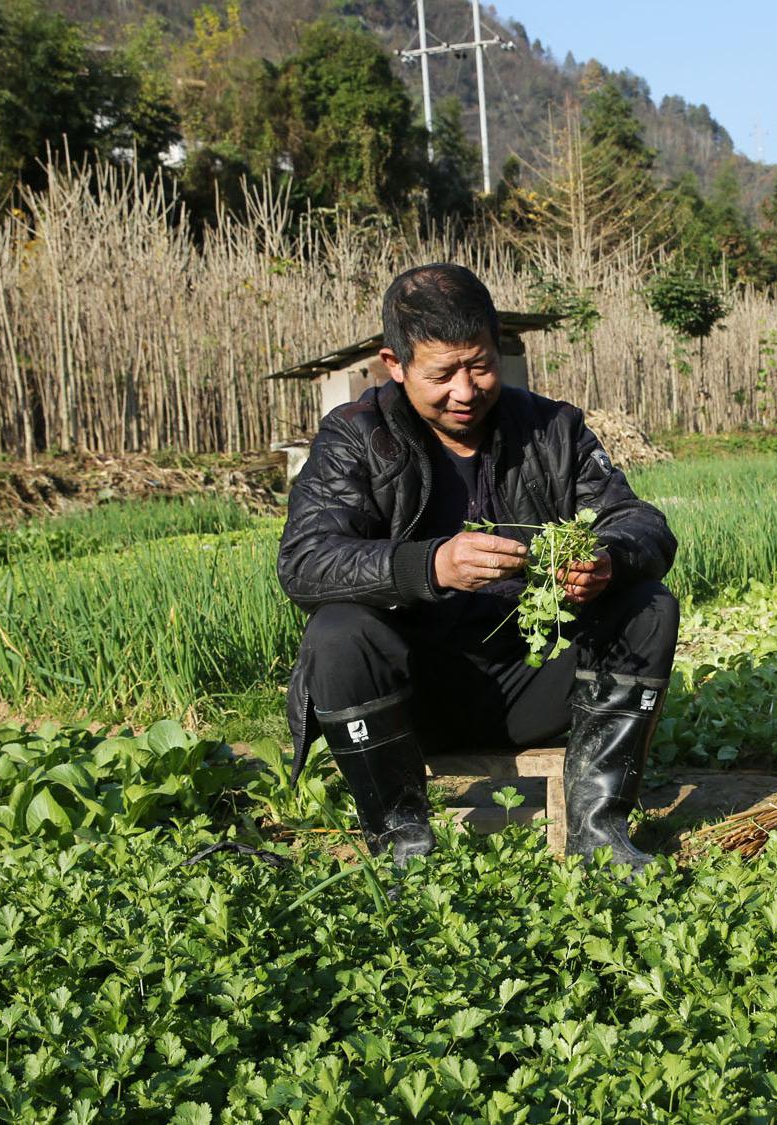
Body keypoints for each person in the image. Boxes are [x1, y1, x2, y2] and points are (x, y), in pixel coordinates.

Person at [277, 263, 679, 871]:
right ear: (395, 364)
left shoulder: (553, 429)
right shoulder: (355, 437)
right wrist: (430, 565)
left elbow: (641, 522)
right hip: (410, 698)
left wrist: (608, 560)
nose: (465, 391)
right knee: (337, 633)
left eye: (480, 366)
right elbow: (306, 562)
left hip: (535, 681)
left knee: (647, 604)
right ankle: (404, 848)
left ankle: (600, 835)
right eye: (442, 374)